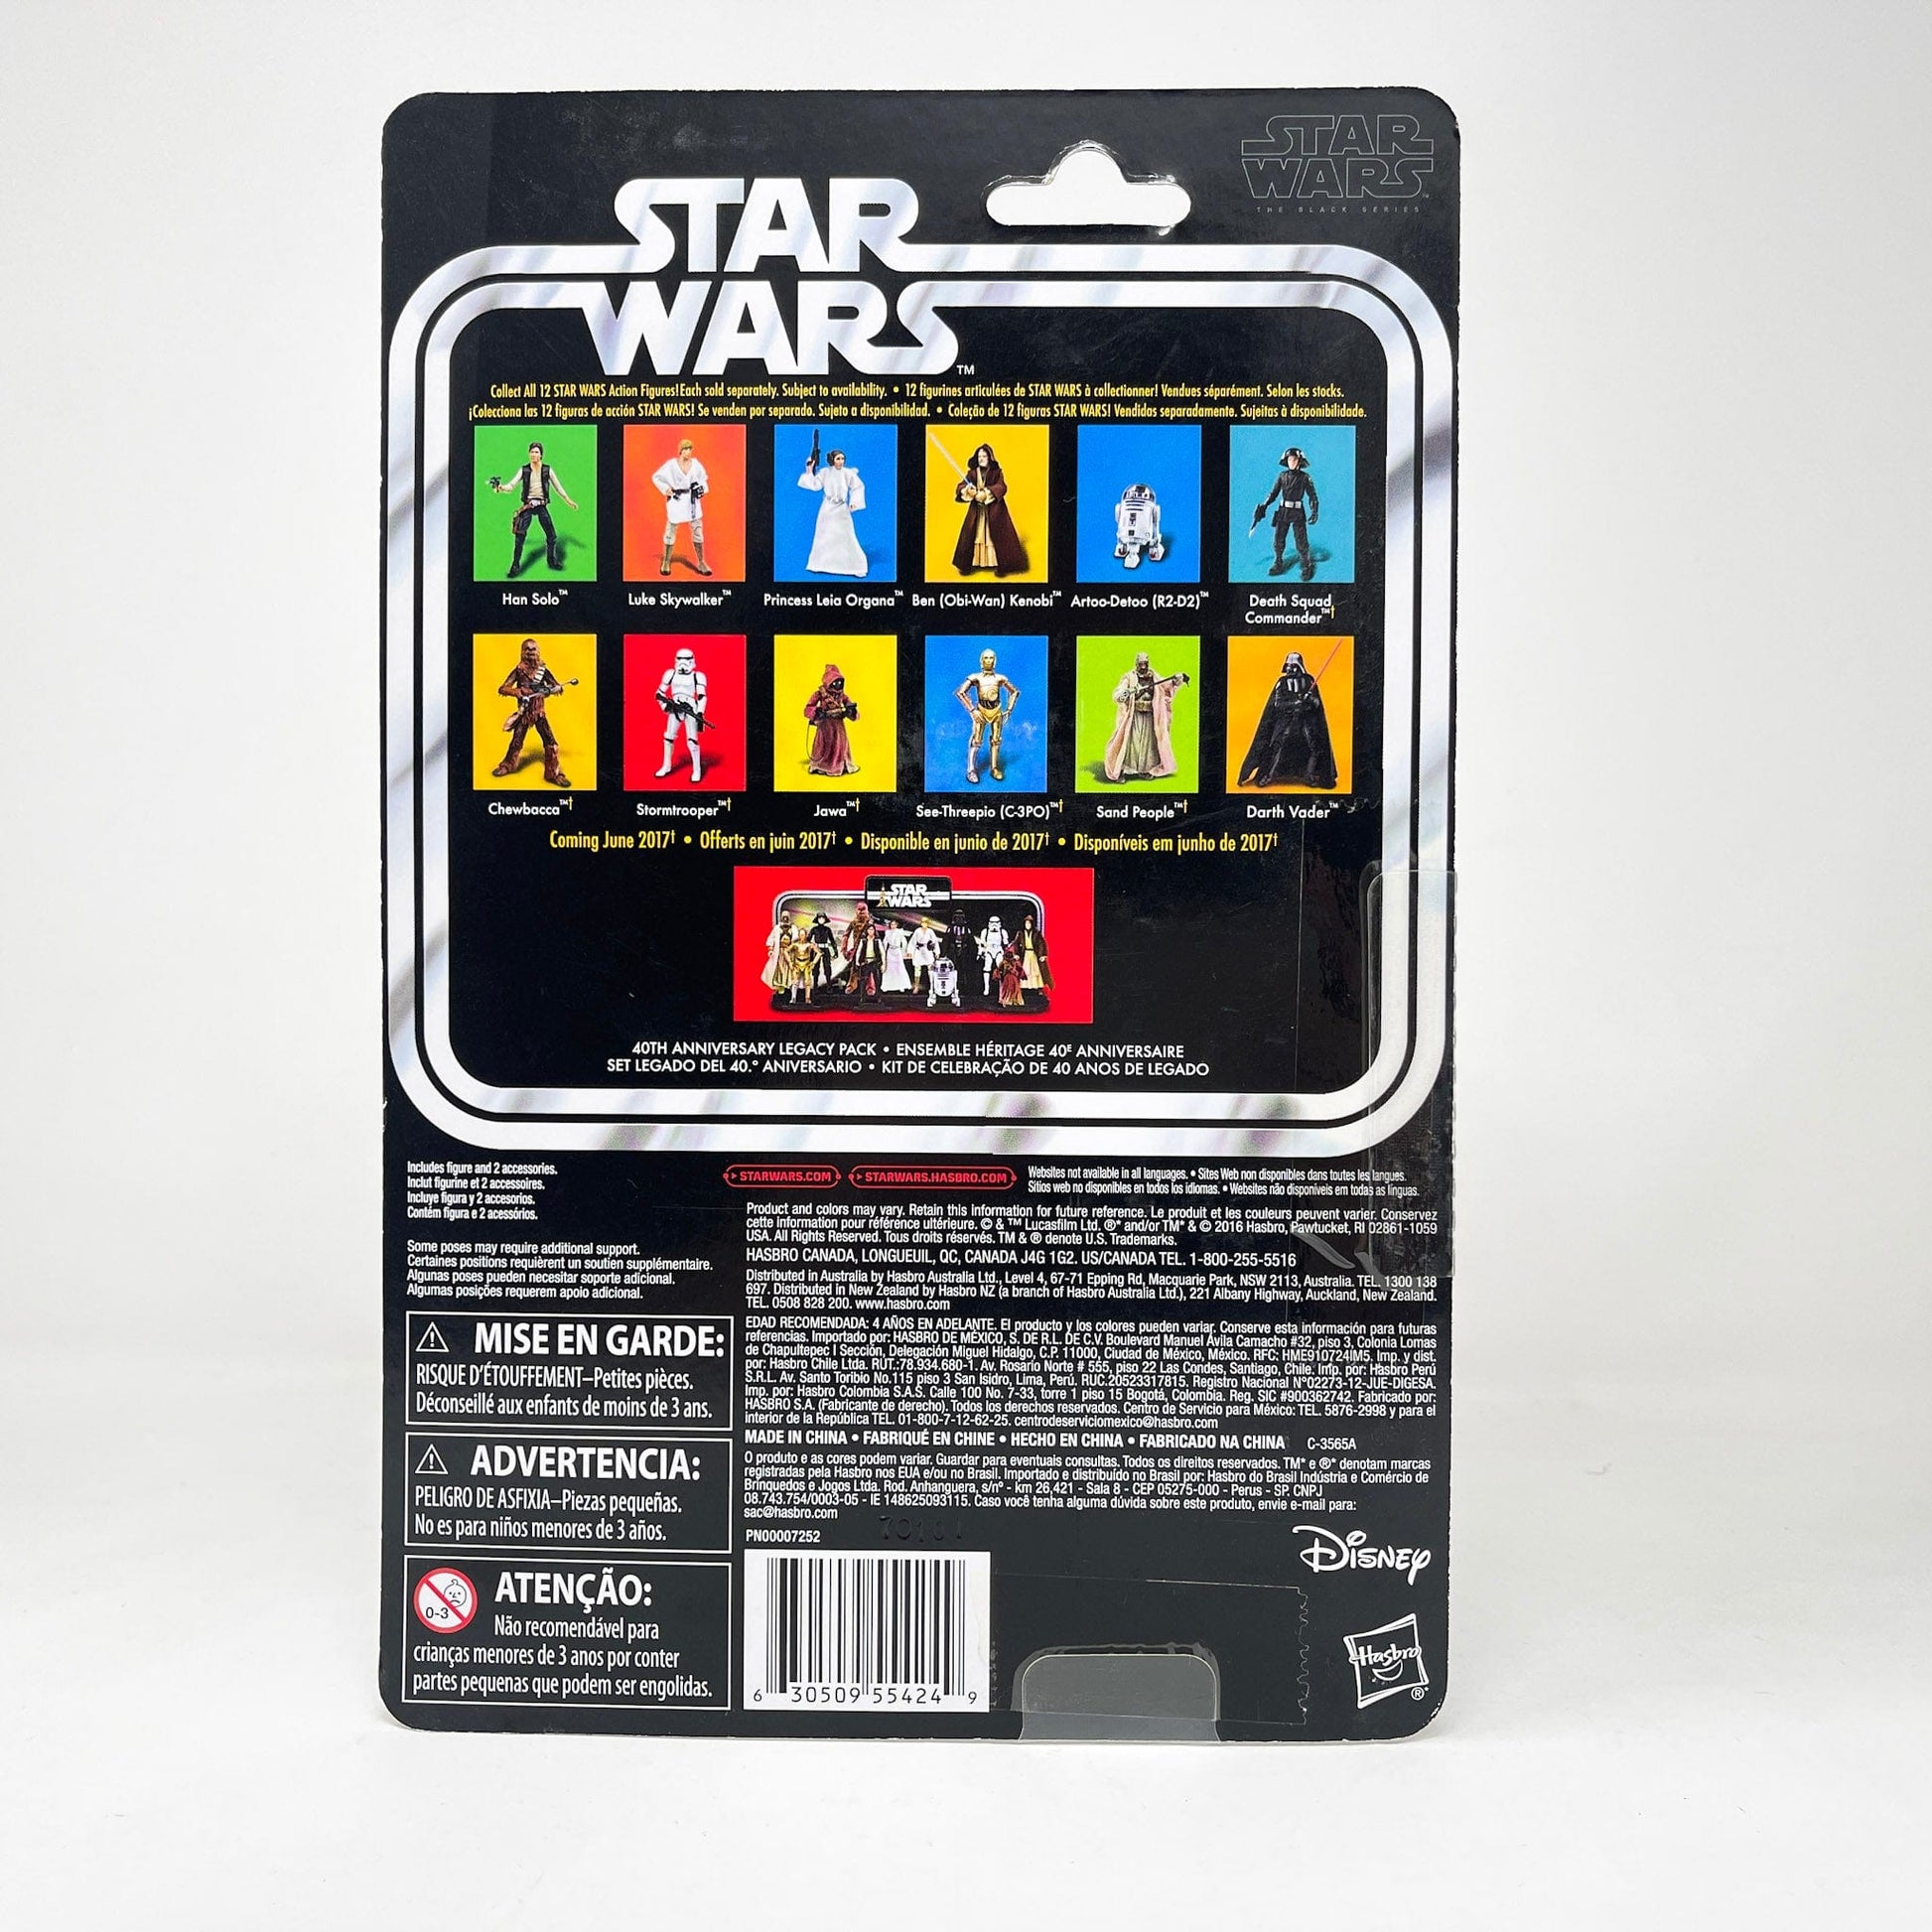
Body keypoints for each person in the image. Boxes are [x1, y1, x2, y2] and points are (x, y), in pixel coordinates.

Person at [1237, 651, 1338, 789]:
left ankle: (1309, 775)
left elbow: (1317, 704)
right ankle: (1268, 775)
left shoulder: (1309, 681)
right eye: (1288, 666)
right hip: (1287, 722)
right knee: (1277, 746)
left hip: (1305, 721)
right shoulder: (1282, 683)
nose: (1290, 669)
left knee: (1314, 746)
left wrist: (1311, 700)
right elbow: (1278, 704)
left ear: (1299, 666)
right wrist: (1296, 702)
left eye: (1293, 666)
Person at [491, 638, 574, 788]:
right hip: (524, 713)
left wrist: (555, 689)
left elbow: (556, 686)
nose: (530, 652)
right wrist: (516, 691)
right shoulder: (518, 670)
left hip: (539, 713)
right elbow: (503, 688)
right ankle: (507, 766)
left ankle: (554, 773)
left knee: (550, 742)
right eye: (527, 649)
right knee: (516, 741)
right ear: (522, 651)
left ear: (538, 652)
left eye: (533, 649)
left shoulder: (543, 671)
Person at [489, 441, 579, 579]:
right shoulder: (524, 470)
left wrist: (569, 501)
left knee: (552, 536)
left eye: (536, 452)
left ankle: (551, 560)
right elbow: (511, 486)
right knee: (520, 536)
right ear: (529, 453)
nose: (534, 454)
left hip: (542, 505)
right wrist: (501, 487)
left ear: (541, 454)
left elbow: (558, 488)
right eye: (532, 452)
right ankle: (515, 565)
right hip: (528, 505)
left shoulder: (547, 470)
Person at [1102, 651, 1189, 782]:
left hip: (1149, 716)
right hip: (1133, 716)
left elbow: (1165, 687)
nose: (1143, 667)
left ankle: (1144, 770)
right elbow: (1119, 692)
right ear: (1136, 664)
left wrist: (1175, 681)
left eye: (1145, 664)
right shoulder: (1129, 677)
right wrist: (1124, 693)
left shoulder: (1154, 677)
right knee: (1130, 743)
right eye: (1140, 664)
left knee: (1147, 746)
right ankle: (1121, 770)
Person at [950, 443, 1026, 576]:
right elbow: (961, 486)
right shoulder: (972, 473)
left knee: (997, 536)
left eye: (984, 456)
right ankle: (969, 564)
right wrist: (968, 490)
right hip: (977, 512)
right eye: (979, 456)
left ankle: (1002, 565)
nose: (981, 459)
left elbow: (1001, 487)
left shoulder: (997, 473)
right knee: (973, 535)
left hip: (995, 511)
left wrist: (986, 493)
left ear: (990, 458)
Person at [796, 443, 869, 577]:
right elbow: (815, 485)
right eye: (838, 459)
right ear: (832, 460)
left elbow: (858, 487)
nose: (841, 461)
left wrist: (854, 502)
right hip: (827, 509)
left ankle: (854, 565)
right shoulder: (825, 472)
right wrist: (809, 471)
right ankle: (820, 563)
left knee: (846, 534)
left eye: (842, 458)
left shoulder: (848, 473)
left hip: (841, 509)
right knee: (824, 535)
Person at [954, 647, 1021, 784]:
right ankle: (971, 770)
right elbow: (960, 692)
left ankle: (994, 768)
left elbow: (1014, 692)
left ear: (995, 661)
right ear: (981, 661)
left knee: (996, 740)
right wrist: (972, 710)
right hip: (981, 711)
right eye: (986, 658)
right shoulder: (976, 677)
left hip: (996, 711)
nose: (988, 661)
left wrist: (1009, 709)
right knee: (976, 740)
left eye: (991, 658)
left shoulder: (1000, 678)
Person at [1254, 446, 1320, 581]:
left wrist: (1314, 511)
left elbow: (1312, 496)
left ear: (1299, 461)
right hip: (1283, 511)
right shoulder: (1282, 476)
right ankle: (1278, 562)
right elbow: (1273, 493)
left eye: (1294, 459)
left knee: (1301, 541)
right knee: (1278, 539)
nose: (1291, 462)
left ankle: (1306, 565)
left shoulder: (1305, 478)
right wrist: (1264, 506)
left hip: (1297, 512)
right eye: (1289, 459)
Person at [652, 438, 713, 577]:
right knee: (670, 531)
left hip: (692, 501)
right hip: (677, 500)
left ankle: (701, 562)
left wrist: (702, 489)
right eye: (685, 449)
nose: (688, 452)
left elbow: (703, 480)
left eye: (690, 449)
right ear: (680, 451)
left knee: (697, 531)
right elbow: (656, 477)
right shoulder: (671, 465)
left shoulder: (696, 464)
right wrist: (666, 489)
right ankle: (666, 561)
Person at [653, 646, 708, 783]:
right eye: (680, 659)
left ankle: (696, 770)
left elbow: (702, 696)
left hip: (691, 709)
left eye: (686, 659)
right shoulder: (671, 674)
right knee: (668, 737)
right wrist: (666, 706)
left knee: (692, 741)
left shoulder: (697, 676)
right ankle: (666, 766)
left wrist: (700, 713)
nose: (683, 663)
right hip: (674, 708)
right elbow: (659, 693)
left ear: (692, 660)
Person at [803, 664, 861, 777]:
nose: (837, 684)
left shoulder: (842, 695)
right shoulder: (819, 694)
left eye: (839, 681)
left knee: (839, 745)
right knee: (823, 745)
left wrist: (851, 711)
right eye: (835, 681)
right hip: (825, 725)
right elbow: (808, 708)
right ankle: (822, 766)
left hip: (838, 726)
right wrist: (817, 712)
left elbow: (851, 707)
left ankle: (838, 766)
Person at [1113, 483, 1167, 569]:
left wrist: (1154, 542)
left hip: (1140, 534)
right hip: (1125, 535)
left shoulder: (1150, 509)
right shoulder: (1123, 508)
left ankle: (1153, 547)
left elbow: (1154, 521)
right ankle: (1123, 547)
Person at [843, 903, 885, 1002]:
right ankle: (851, 984)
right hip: (856, 948)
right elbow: (846, 935)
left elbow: (876, 936)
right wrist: (844, 948)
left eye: (863, 910)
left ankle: (870, 986)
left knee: (869, 969)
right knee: (854, 967)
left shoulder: (869, 923)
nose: (861, 912)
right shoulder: (853, 922)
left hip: (867, 947)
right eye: (859, 910)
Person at [1016, 912, 1053, 997]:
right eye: (1026, 923)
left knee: (1035, 971)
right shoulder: (1021, 933)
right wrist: (1016, 954)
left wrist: (1042, 955)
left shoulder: (1036, 933)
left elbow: (1041, 944)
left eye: (1029, 923)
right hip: (1025, 955)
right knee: (1025, 971)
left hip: (1033, 954)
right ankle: (1023, 988)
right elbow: (1016, 944)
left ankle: (1038, 988)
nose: (1027, 925)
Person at [974, 914, 1009, 998]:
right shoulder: (985, 932)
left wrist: (1007, 955)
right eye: (992, 923)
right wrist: (979, 954)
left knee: (1001, 969)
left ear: (999, 924)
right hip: (988, 951)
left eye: (996, 923)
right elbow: (981, 944)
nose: (994, 925)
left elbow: (1006, 945)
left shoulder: (1002, 932)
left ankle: (1002, 988)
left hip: (998, 951)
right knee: (986, 969)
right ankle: (986, 988)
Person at [881, 922, 913, 995]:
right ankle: (887, 986)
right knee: (889, 968)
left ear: (896, 925)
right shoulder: (887, 932)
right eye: (891, 925)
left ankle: (902, 985)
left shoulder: (900, 932)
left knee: (900, 968)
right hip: (890, 952)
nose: (893, 926)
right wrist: (883, 952)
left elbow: (904, 942)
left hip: (898, 952)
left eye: (894, 925)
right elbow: (885, 942)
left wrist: (904, 952)